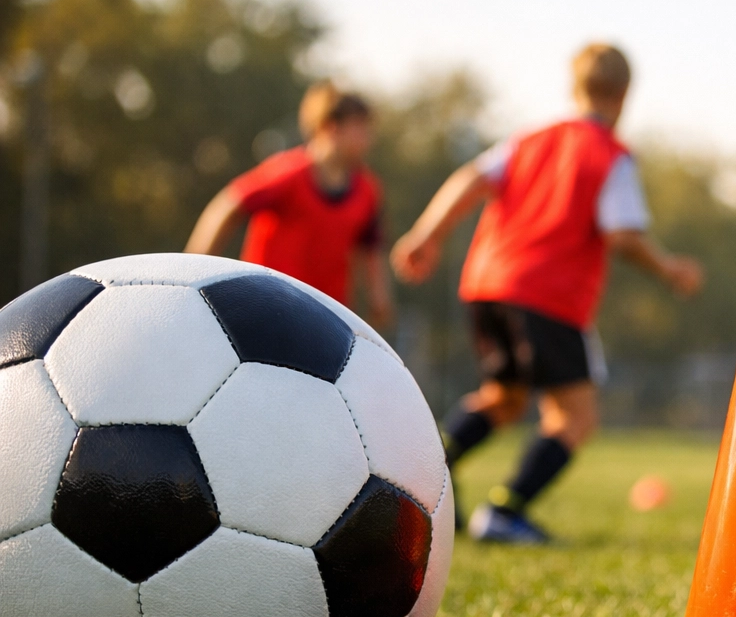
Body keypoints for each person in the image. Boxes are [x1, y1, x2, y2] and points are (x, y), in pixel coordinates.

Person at [391, 43, 702, 544]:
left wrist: (426, 235)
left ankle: (426, 471)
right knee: (576, 416)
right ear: (623, 95)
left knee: (504, 398)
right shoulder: (611, 155)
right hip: (548, 294)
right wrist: (670, 269)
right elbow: (622, 235)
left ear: (574, 86)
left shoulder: (529, 139)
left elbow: (471, 178)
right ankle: (506, 510)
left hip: (486, 284)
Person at [186, 81, 392, 327]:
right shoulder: (287, 174)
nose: (368, 139)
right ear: (330, 127)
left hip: (325, 317)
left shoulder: (368, 190)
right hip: (265, 305)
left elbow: (371, 247)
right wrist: (190, 271)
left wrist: (379, 298)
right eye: (359, 128)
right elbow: (228, 206)